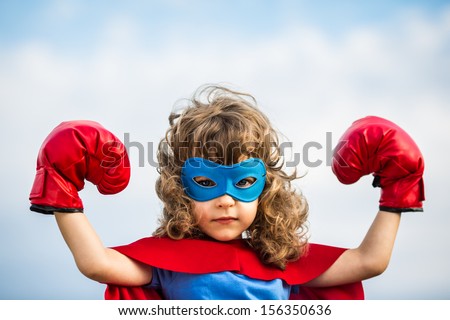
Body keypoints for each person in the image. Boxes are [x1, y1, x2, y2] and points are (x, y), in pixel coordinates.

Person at [28, 85, 425, 300]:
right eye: (206, 183)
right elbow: (97, 264)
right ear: (180, 190)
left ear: (265, 189)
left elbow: (369, 262)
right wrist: (61, 188)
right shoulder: (167, 264)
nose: (226, 200)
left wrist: (398, 188)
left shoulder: (282, 265)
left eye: (244, 181)